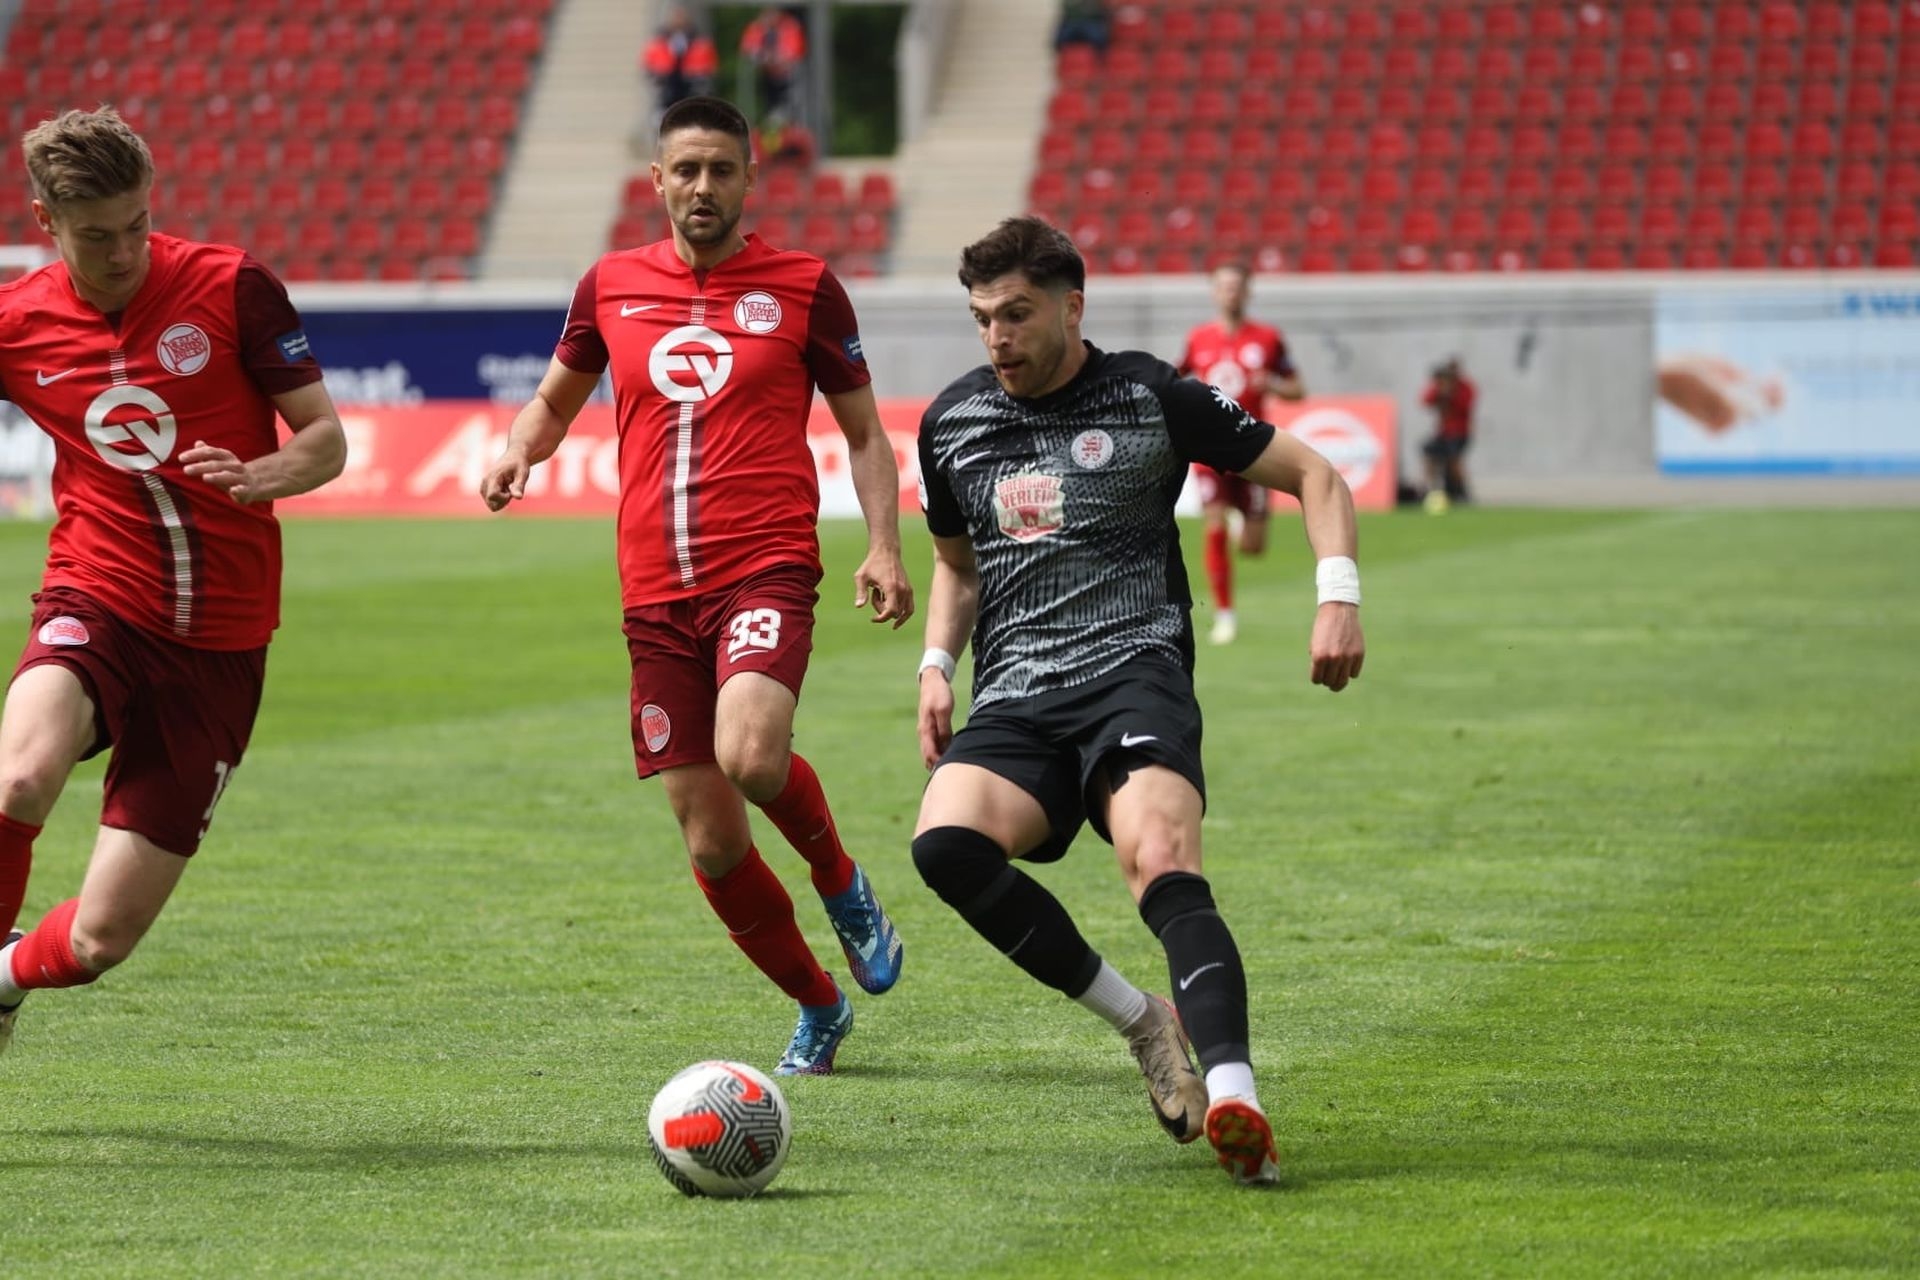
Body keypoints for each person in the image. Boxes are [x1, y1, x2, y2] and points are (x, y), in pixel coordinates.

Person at [911, 216, 1365, 1186]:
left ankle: (1236, 1092)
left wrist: (1338, 597)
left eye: (1017, 314)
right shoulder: (952, 422)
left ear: (1072, 307)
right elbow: (956, 564)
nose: (997, 336)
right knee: (944, 844)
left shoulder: (1150, 395)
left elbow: (1315, 474)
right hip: (1017, 692)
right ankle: (1143, 1021)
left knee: (1158, 856)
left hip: (1132, 675)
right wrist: (936, 662)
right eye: (983, 317)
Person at [480, 96, 913, 1077]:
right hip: (653, 594)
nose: (703, 187)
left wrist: (884, 546)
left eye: (722, 169)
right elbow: (552, 400)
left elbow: (864, 434)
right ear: (658, 180)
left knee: (751, 754)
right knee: (712, 840)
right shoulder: (609, 286)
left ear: (751, 177)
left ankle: (842, 883)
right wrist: (517, 450)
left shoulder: (805, 287)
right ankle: (818, 1003)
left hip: (764, 563)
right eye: (686, 170)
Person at [0, 107, 348, 1053]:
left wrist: (265, 474)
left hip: (220, 645)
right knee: (20, 776)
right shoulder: (19, 321)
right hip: (97, 594)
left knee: (99, 942)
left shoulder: (232, 287)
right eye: (95, 236)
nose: (123, 253)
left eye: (137, 225)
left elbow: (325, 439)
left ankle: (4, 979)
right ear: (46, 222)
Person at [1177, 262, 1305, 646]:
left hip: (1253, 447)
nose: (1230, 293)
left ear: (1248, 291)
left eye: (1237, 286)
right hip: (1208, 446)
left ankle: (1240, 522)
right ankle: (1225, 615)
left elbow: (1298, 389)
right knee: (1213, 525)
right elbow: (1175, 377)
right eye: (1224, 286)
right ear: (1214, 292)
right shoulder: (1198, 338)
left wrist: (1274, 385)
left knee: (1253, 547)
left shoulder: (1268, 338)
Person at [1420, 357, 1476, 511]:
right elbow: (1425, 400)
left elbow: (1465, 405)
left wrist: (1451, 393)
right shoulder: (1440, 386)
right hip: (1443, 432)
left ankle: (1462, 491)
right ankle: (1429, 489)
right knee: (1428, 453)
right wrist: (1440, 390)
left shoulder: (1465, 387)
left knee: (1454, 461)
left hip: (1460, 432)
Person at [643, 6, 720, 115]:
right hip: (667, 89)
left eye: (681, 17)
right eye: (676, 17)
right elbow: (649, 66)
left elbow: (710, 67)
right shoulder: (658, 43)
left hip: (691, 88)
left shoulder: (700, 43)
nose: (678, 21)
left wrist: (700, 78)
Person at [740, 6, 807, 128]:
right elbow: (748, 49)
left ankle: (786, 125)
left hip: (788, 79)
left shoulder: (790, 27)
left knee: (788, 110)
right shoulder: (758, 27)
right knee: (770, 111)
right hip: (767, 77)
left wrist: (775, 58)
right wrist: (765, 57)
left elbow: (793, 53)